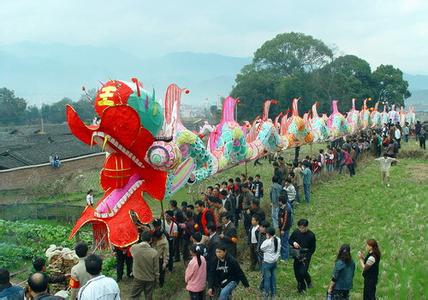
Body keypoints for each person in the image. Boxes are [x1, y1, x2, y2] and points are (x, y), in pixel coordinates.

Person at [289, 219, 316, 294]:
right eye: (300, 227)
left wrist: (307, 257)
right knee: (297, 273)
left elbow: (312, 249)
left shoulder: (311, 235)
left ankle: (305, 284)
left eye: (303, 228)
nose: (301, 229)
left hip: (305, 256)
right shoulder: (296, 232)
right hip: (297, 255)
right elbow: (290, 240)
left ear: (306, 227)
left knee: (302, 272)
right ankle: (301, 285)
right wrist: (294, 243)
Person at [130, 231, 159, 300]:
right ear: (151, 240)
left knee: (134, 296)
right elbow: (156, 269)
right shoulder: (154, 253)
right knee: (148, 297)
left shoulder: (134, 248)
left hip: (138, 277)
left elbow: (132, 253)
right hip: (150, 278)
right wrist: (157, 279)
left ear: (141, 238)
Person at [260, 227, 281, 300]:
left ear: (268, 234)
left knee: (267, 279)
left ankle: (266, 295)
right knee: (273, 278)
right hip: (274, 262)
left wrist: (268, 241)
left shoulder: (267, 242)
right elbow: (278, 250)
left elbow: (261, 248)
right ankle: (273, 294)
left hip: (267, 263)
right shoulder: (278, 240)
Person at [278, 194, 292, 261]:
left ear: (281, 201)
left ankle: (285, 258)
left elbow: (285, 221)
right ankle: (284, 255)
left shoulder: (286, 209)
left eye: (279, 201)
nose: (278, 202)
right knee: (283, 242)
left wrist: (283, 229)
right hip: (281, 228)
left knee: (284, 243)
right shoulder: (283, 207)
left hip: (284, 229)